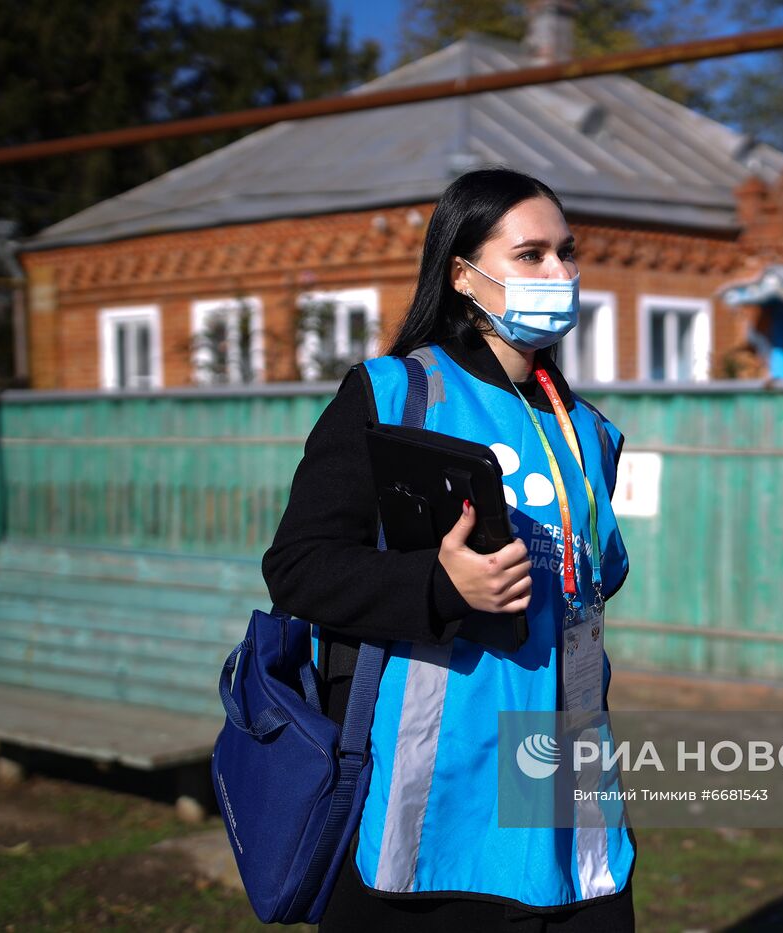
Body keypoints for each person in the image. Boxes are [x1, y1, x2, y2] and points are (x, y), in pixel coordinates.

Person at [262, 167, 636, 933]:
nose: (560, 273)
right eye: (530, 254)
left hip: (566, 801)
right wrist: (440, 586)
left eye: (567, 252)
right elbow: (298, 567)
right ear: (463, 274)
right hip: (433, 805)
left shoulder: (590, 431)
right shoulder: (395, 394)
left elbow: (595, 580)